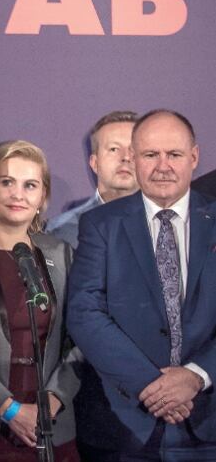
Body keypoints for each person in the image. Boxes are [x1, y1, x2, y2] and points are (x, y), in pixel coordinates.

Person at [68, 109, 216, 460]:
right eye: (151, 155)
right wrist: (151, 384)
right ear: (134, 159)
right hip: (126, 425)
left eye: (174, 154)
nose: (163, 166)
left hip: (207, 422)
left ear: (194, 157)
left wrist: (196, 376)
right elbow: (85, 313)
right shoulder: (100, 224)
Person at [0, 141, 80, 461]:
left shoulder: (61, 253)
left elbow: (82, 338)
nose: (18, 194)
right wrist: (7, 408)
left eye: (30, 185)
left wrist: (54, 399)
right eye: (7, 182)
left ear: (43, 197)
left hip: (53, 426)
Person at [48, 111, 138, 248]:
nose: (126, 157)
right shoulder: (63, 231)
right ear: (95, 163)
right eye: (114, 149)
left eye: (134, 149)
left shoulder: (167, 226)